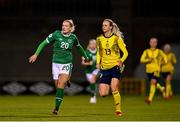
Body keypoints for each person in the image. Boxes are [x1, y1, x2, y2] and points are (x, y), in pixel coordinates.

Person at [29, 19, 88, 115]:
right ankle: (67, 78)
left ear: (70, 28)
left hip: (66, 63)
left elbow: (79, 47)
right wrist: (36, 54)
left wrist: (86, 57)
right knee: (58, 86)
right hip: (55, 63)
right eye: (63, 25)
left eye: (66, 26)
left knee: (61, 84)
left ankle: (56, 108)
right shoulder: (56, 34)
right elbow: (44, 43)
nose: (63, 27)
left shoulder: (73, 37)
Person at [96, 19, 128, 117]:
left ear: (110, 27)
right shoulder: (99, 39)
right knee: (103, 94)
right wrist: (98, 63)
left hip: (115, 66)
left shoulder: (116, 38)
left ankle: (118, 110)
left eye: (105, 25)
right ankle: (110, 84)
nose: (103, 27)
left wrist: (121, 61)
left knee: (114, 87)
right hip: (104, 68)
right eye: (103, 25)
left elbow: (126, 53)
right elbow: (98, 53)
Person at [140, 37, 167, 105]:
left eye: (154, 42)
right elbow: (141, 60)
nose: (153, 43)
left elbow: (165, 58)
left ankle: (150, 99)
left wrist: (163, 63)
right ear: (149, 43)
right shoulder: (146, 51)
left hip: (156, 70)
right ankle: (161, 88)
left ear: (156, 43)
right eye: (151, 42)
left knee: (153, 82)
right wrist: (147, 60)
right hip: (148, 71)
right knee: (154, 83)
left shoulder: (159, 51)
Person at [81, 39, 99, 104]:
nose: (93, 45)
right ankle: (93, 95)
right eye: (91, 44)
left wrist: (99, 64)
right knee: (92, 82)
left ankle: (93, 97)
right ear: (89, 44)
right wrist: (89, 63)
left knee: (92, 80)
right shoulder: (86, 52)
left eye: (94, 44)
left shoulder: (99, 52)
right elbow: (83, 62)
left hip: (97, 69)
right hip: (88, 71)